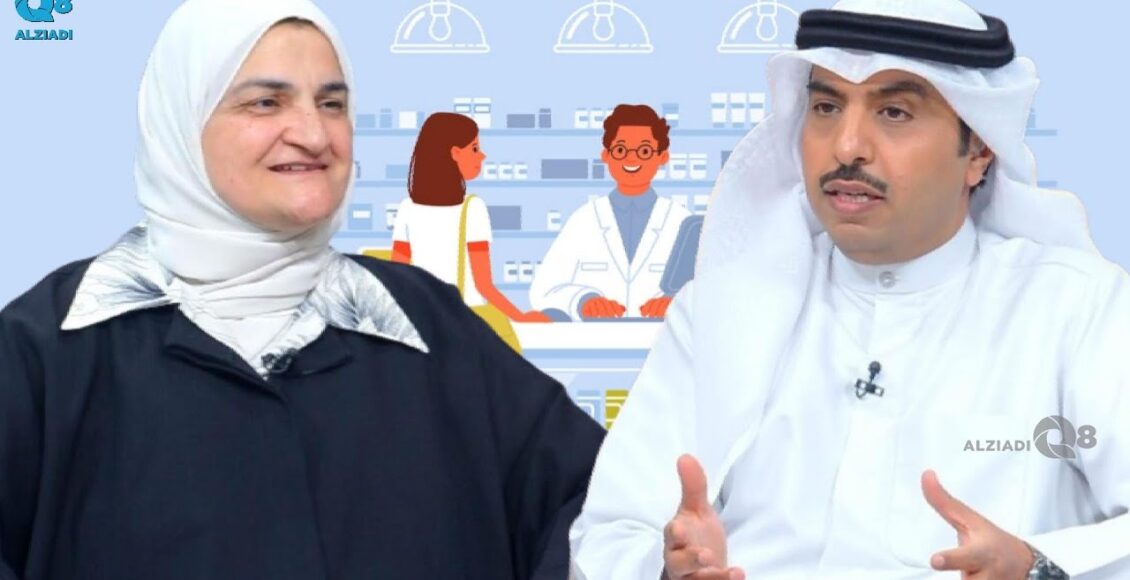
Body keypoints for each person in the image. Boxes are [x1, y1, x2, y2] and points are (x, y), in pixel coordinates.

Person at [0, 1, 603, 578]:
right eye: (266, 102)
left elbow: (596, 505)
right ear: (180, 122)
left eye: (331, 103)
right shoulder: (45, 352)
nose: (314, 134)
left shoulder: (430, 325)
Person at [570, 0, 1130, 579]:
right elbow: (610, 534)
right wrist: (669, 570)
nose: (846, 146)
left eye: (894, 112)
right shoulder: (722, 310)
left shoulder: (1077, 309)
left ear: (980, 151)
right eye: (826, 107)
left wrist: (1038, 566)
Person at [530, 104, 691, 321]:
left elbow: (709, 286)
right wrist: (583, 300)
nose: (631, 160)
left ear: (662, 157)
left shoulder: (681, 220)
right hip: (597, 337)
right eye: (620, 150)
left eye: (644, 151)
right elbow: (543, 289)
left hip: (661, 336)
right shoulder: (584, 220)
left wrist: (676, 300)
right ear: (606, 155)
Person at [391, 113, 551, 329]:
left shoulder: (407, 208)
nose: (482, 156)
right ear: (455, 153)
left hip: (425, 319)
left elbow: (397, 278)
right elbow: (484, 285)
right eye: (475, 149)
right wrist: (520, 317)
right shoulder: (472, 208)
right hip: (465, 319)